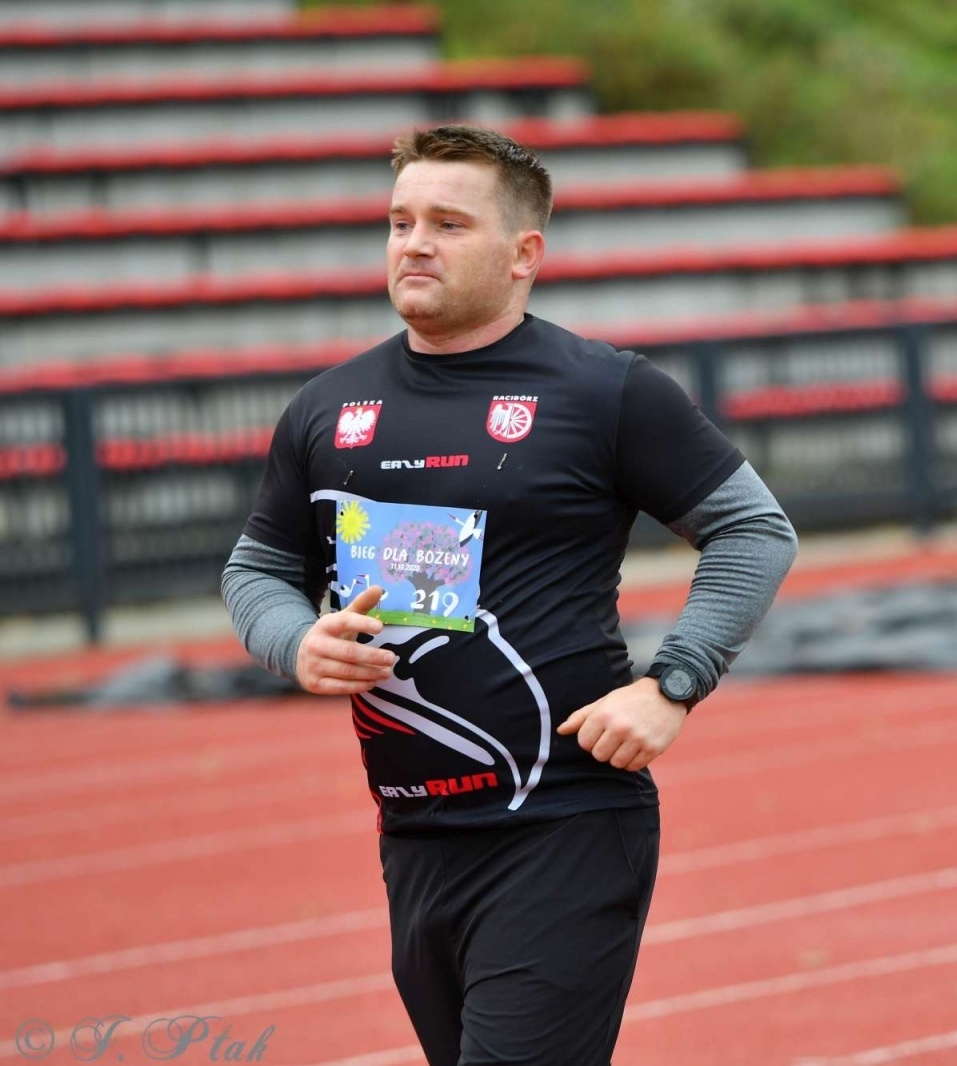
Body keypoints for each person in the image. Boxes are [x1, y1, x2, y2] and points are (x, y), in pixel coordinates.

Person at [221, 124, 797, 1065]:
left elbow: (754, 529)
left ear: (524, 253)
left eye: (449, 225)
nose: (415, 244)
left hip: (566, 822)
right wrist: (294, 640)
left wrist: (673, 683)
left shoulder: (606, 391)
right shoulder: (327, 408)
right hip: (414, 830)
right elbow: (257, 567)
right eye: (401, 222)